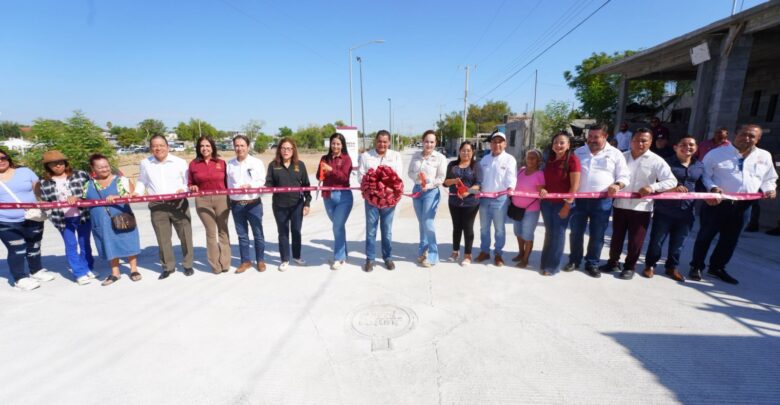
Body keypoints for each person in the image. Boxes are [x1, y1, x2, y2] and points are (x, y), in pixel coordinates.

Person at [690, 124, 778, 284]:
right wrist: (712, 188)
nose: (747, 138)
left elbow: (769, 178)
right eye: (743, 134)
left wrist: (770, 189)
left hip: (744, 205)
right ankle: (696, 266)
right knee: (706, 236)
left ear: (758, 139)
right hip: (717, 203)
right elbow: (705, 175)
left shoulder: (764, 156)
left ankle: (717, 267)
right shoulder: (716, 153)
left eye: (752, 136)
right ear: (735, 135)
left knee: (730, 239)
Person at [599, 129, 676, 280]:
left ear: (650, 142)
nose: (640, 143)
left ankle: (629, 267)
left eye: (644, 141)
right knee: (616, 238)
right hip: (620, 205)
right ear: (631, 141)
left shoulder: (656, 160)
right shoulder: (622, 157)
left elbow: (671, 181)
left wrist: (652, 187)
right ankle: (613, 262)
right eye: (636, 140)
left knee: (635, 240)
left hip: (641, 207)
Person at [565, 123, 630, 278]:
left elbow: (624, 175)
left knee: (597, 234)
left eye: (596, 137)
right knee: (576, 232)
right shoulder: (579, 152)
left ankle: (592, 263)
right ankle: (574, 260)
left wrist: (617, 184)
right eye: (590, 136)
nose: (592, 140)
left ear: (605, 136)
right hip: (579, 200)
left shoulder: (615, 154)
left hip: (602, 202)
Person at [643, 135, 704, 282]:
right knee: (657, 240)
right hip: (665, 210)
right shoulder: (665, 163)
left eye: (691, 145)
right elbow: (655, 183)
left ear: (696, 148)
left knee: (679, 242)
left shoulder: (699, 166)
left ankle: (672, 267)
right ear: (676, 147)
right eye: (683, 144)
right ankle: (650, 265)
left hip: (687, 211)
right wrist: (671, 189)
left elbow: (702, 185)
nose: (687, 147)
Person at [134, 134, 194, 279]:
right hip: (157, 205)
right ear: (150, 148)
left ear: (168, 147)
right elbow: (143, 181)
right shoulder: (145, 163)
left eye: (161, 145)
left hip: (178, 203)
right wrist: (137, 192)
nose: (158, 148)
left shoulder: (179, 162)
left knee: (185, 235)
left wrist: (183, 190)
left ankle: (187, 264)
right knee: (163, 238)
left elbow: (186, 181)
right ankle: (168, 266)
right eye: (155, 146)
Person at [37, 150, 95, 285]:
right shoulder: (44, 182)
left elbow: (91, 192)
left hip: (83, 215)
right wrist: (44, 204)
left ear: (65, 163)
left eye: (60, 162)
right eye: (53, 164)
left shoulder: (80, 174)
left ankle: (87, 268)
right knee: (71, 245)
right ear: (48, 167)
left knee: (85, 243)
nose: (58, 166)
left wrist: (79, 197)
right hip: (62, 219)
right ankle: (79, 273)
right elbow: (46, 201)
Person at [83, 154, 141, 286]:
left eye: (106, 166)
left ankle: (134, 270)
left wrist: (119, 196)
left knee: (128, 240)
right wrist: (74, 199)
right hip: (101, 222)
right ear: (93, 168)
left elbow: (134, 195)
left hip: (122, 218)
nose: (105, 169)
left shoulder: (121, 180)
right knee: (108, 245)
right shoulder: (88, 184)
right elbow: (83, 201)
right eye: (100, 167)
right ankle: (115, 273)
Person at [0, 148, 52, 290]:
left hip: (32, 216)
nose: (1, 161)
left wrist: (42, 201)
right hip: (6, 221)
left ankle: (36, 270)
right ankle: (20, 278)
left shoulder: (25, 172)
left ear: (8, 158)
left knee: (34, 245)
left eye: (3, 158)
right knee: (17, 249)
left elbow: (38, 189)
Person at [358, 130, 403, 272]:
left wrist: (386, 190)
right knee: (371, 230)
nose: (382, 144)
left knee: (387, 230)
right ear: (375, 141)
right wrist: (373, 187)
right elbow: (361, 176)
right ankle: (370, 259)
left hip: (389, 201)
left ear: (389, 142)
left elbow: (398, 177)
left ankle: (387, 257)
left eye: (385, 141)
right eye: (379, 141)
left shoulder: (395, 156)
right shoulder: (366, 156)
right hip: (371, 200)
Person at [266, 137, 311, 271]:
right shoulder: (273, 165)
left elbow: (306, 186)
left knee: (296, 231)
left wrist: (307, 203)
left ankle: (296, 256)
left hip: (297, 205)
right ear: (279, 150)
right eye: (283, 148)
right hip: (279, 206)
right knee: (283, 232)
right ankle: (285, 259)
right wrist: (263, 187)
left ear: (293, 150)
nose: (286, 151)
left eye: (289, 148)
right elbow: (269, 183)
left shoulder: (300, 165)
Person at [538, 132, 580, 276]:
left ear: (568, 145)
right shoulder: (549, 160)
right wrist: (543, 189)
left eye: (562, 142)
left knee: (558, 234)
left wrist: (567, 205)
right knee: (550, 233)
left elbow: (574, 186)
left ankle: (552, 267)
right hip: (547, 203)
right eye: (556, 142)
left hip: (562, 204)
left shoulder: (573, 160)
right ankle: (544, 262)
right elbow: (544, 182)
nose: (558, 145)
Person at [188, 136, 231, 274]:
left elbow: (228, 182)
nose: (204, 148)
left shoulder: (221, 163)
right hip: (203, 200)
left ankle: (225, 263)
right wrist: (192, 186)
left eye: (207, 145)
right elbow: (189, 182)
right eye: (202, 146)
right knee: (210, 232)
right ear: (198, 148)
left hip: (222, 199)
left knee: (223, 230)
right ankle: (215, 265)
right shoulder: (193, 164)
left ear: (212, 147)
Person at [474, 131, 517, 267]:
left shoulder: (510, 159)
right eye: (494, 141)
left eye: (500, 142)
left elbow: (512, 178)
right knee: (484, 228)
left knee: (499, 228)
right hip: (484, 199)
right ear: (491, 144)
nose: (497, 144)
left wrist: (511, 188)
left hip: (501, 198)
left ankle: (498, 254)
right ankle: (484, 251)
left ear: (504, 144)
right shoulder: (485, 159)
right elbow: (479, 177)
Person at [227, 135, 267, 273]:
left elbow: (262, 181)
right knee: (242, 235)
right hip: (237, 205)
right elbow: (227, 184)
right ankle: (245, 261)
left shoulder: (257, 163)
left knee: (258, 234)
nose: (239, 148)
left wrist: (250, 185)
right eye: (237, 146)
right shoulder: (230, 164)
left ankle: (260, 260)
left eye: (242, 145)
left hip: (253, 204)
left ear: (248, 147)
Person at [408, 130, 447, 267]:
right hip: (417, 191)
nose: (429, 144)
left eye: (432, 142)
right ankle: (423, 250)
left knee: (428, 222)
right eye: (426, 141)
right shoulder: (416, 156)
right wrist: (416, 177)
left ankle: (433, 254)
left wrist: (429, 185)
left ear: (435, 143)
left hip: (431, 192)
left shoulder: (440, 158)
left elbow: (441, 178)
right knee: (422, 222)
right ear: (422, 141)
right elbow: (410, 172)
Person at [443, 141, 481, 266]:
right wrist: (453, 180)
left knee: (468, 228)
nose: (466, 153)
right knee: (456, 227)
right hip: (454, 202)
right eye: (463, 150)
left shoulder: (476, 166)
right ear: (459, 151)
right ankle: (455, 252)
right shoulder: (452, 165)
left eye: (469, 150)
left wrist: (468, 192)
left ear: (472, 152)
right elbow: (445, 183)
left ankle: (467, 255)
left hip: (471, 203)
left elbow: (478, 185)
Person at [319, 132, 354, 270]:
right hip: (327, 196)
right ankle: (343, 254)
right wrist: (322, 171)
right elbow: (319, 176)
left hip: (343, 197)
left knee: (337, 226)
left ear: (342, 145)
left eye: (338, 143)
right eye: (333, 143)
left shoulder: (346, 159)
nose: (335, 146)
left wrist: (331, 170)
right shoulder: (324, 158)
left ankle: (338, 258)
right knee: (338, 226)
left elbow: (344, 178)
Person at [510, 149, 545, 268]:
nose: (530, 159)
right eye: (528, 157)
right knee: (518, 233)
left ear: (538, 161)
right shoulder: (521, 171)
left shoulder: (539, 174)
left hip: (530, 210)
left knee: (528, 235)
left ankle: (525, 259)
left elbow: (542, 191)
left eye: (533, 158)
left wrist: (544, 191)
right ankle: (521, 253)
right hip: (516, 208)